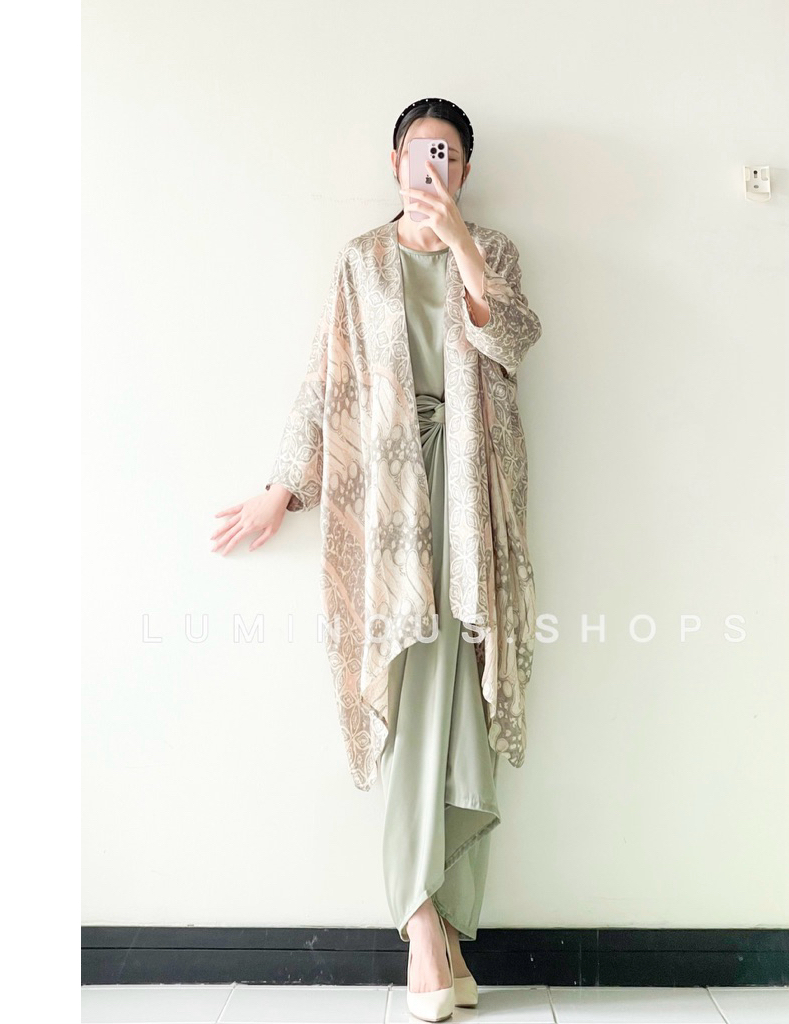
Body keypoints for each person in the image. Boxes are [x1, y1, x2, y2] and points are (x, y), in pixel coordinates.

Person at [212, 98, 541, 1023]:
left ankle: (449, 927)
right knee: (405, 684)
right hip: (390, 498)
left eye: (449, 154)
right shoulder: (360, 260)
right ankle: (420, 926)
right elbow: (326, 380)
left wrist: (462, 245)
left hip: (472, 494)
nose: (433, 166)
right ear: (394, 159)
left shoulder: (495, 250)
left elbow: (514, 341)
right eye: (419, 150)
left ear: (464, 169)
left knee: (466, 698)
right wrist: (282, 485)